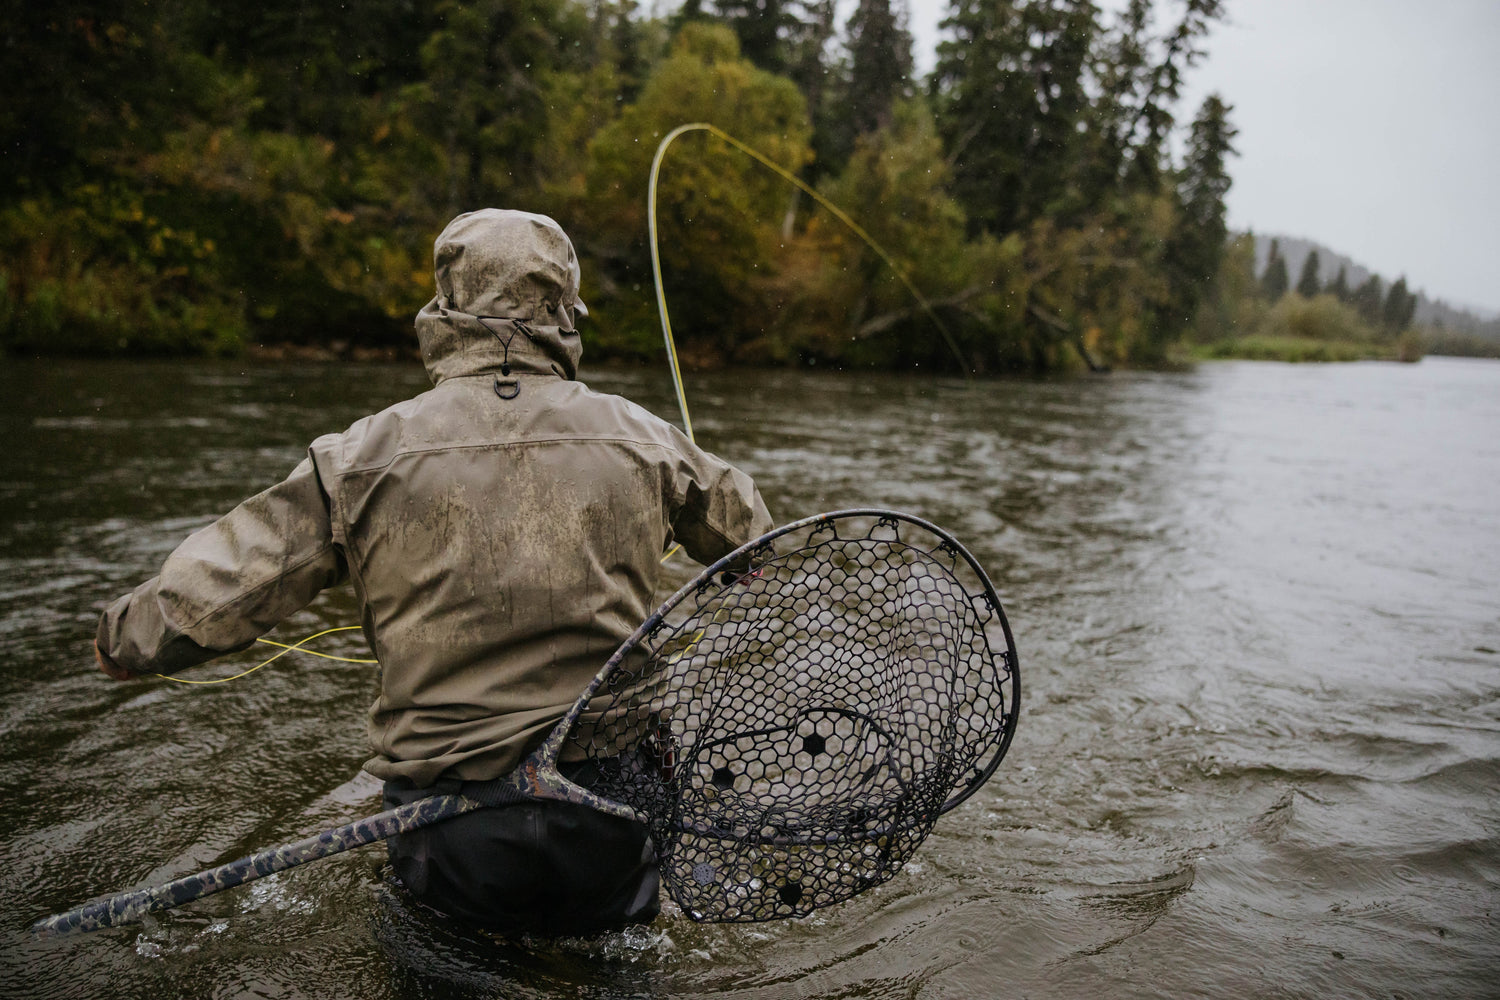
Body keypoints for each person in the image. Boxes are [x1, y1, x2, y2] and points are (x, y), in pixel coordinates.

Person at [93, 208, 774, 935]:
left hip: (452, 821)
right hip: (607, 810)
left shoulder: (358, 457)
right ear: (564, 314)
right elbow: (757, 547)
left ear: (445, 308)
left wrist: (125, 641)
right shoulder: (647, 439)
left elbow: (228, 580)